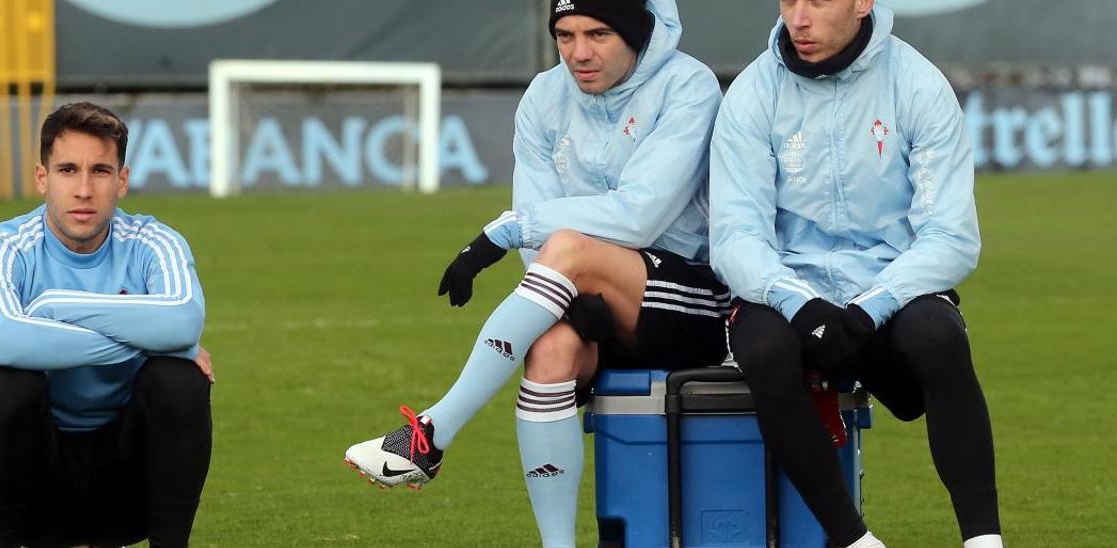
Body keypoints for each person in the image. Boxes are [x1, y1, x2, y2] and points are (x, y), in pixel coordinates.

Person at [344, 1, 725, 545]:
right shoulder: (544, 96)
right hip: (587, 293)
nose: (579, 53)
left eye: (598, 34)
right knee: (548, 354)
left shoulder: (689, 85)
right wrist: (561, 287)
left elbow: (640, 215)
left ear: (637, 35)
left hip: (687, 298)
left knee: (568, 246)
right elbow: (539, 237)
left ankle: (432, 431)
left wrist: (509, 232)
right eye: (565, 35)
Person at [709, 2, 1001, 547]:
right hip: (786, 291)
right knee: (766, 351)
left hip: (888, 288)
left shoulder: (918, 85)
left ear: (862, 2)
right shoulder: (752, 92)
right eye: (789, 0)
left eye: (816, 1)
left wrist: (874, 303)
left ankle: (984, 540)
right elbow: (735, 237)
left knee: (937, 336)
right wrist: (797, 301)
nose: (798, 18)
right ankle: (854, 540)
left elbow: (952, 235)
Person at [0, 102, 213, 548]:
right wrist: (152, 341)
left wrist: (52, 307)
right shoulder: (1, 247)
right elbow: (7, 339)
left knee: (179, 378)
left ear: (122, 180)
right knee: (6, 386)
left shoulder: (154, 242)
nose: (83, 189)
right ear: (42, 178)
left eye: (99, 171)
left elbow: (183, 320)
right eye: (66, 170)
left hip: (128, 478)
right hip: (36, 477)